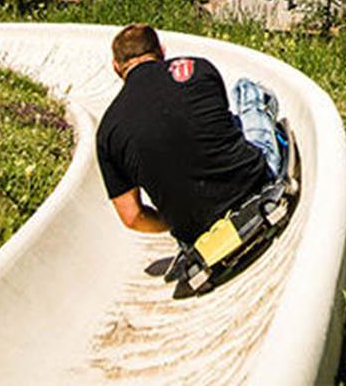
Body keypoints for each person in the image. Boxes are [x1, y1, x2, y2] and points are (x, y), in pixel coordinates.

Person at [96, 24, 285, 247]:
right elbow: (223, 128)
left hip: (194, 231)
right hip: (254, 184)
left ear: (116, 68)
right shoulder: (197, 68)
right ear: (162, 52)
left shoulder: (107, 131)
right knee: (248, 89)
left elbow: (133, 217)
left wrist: (175, 222)